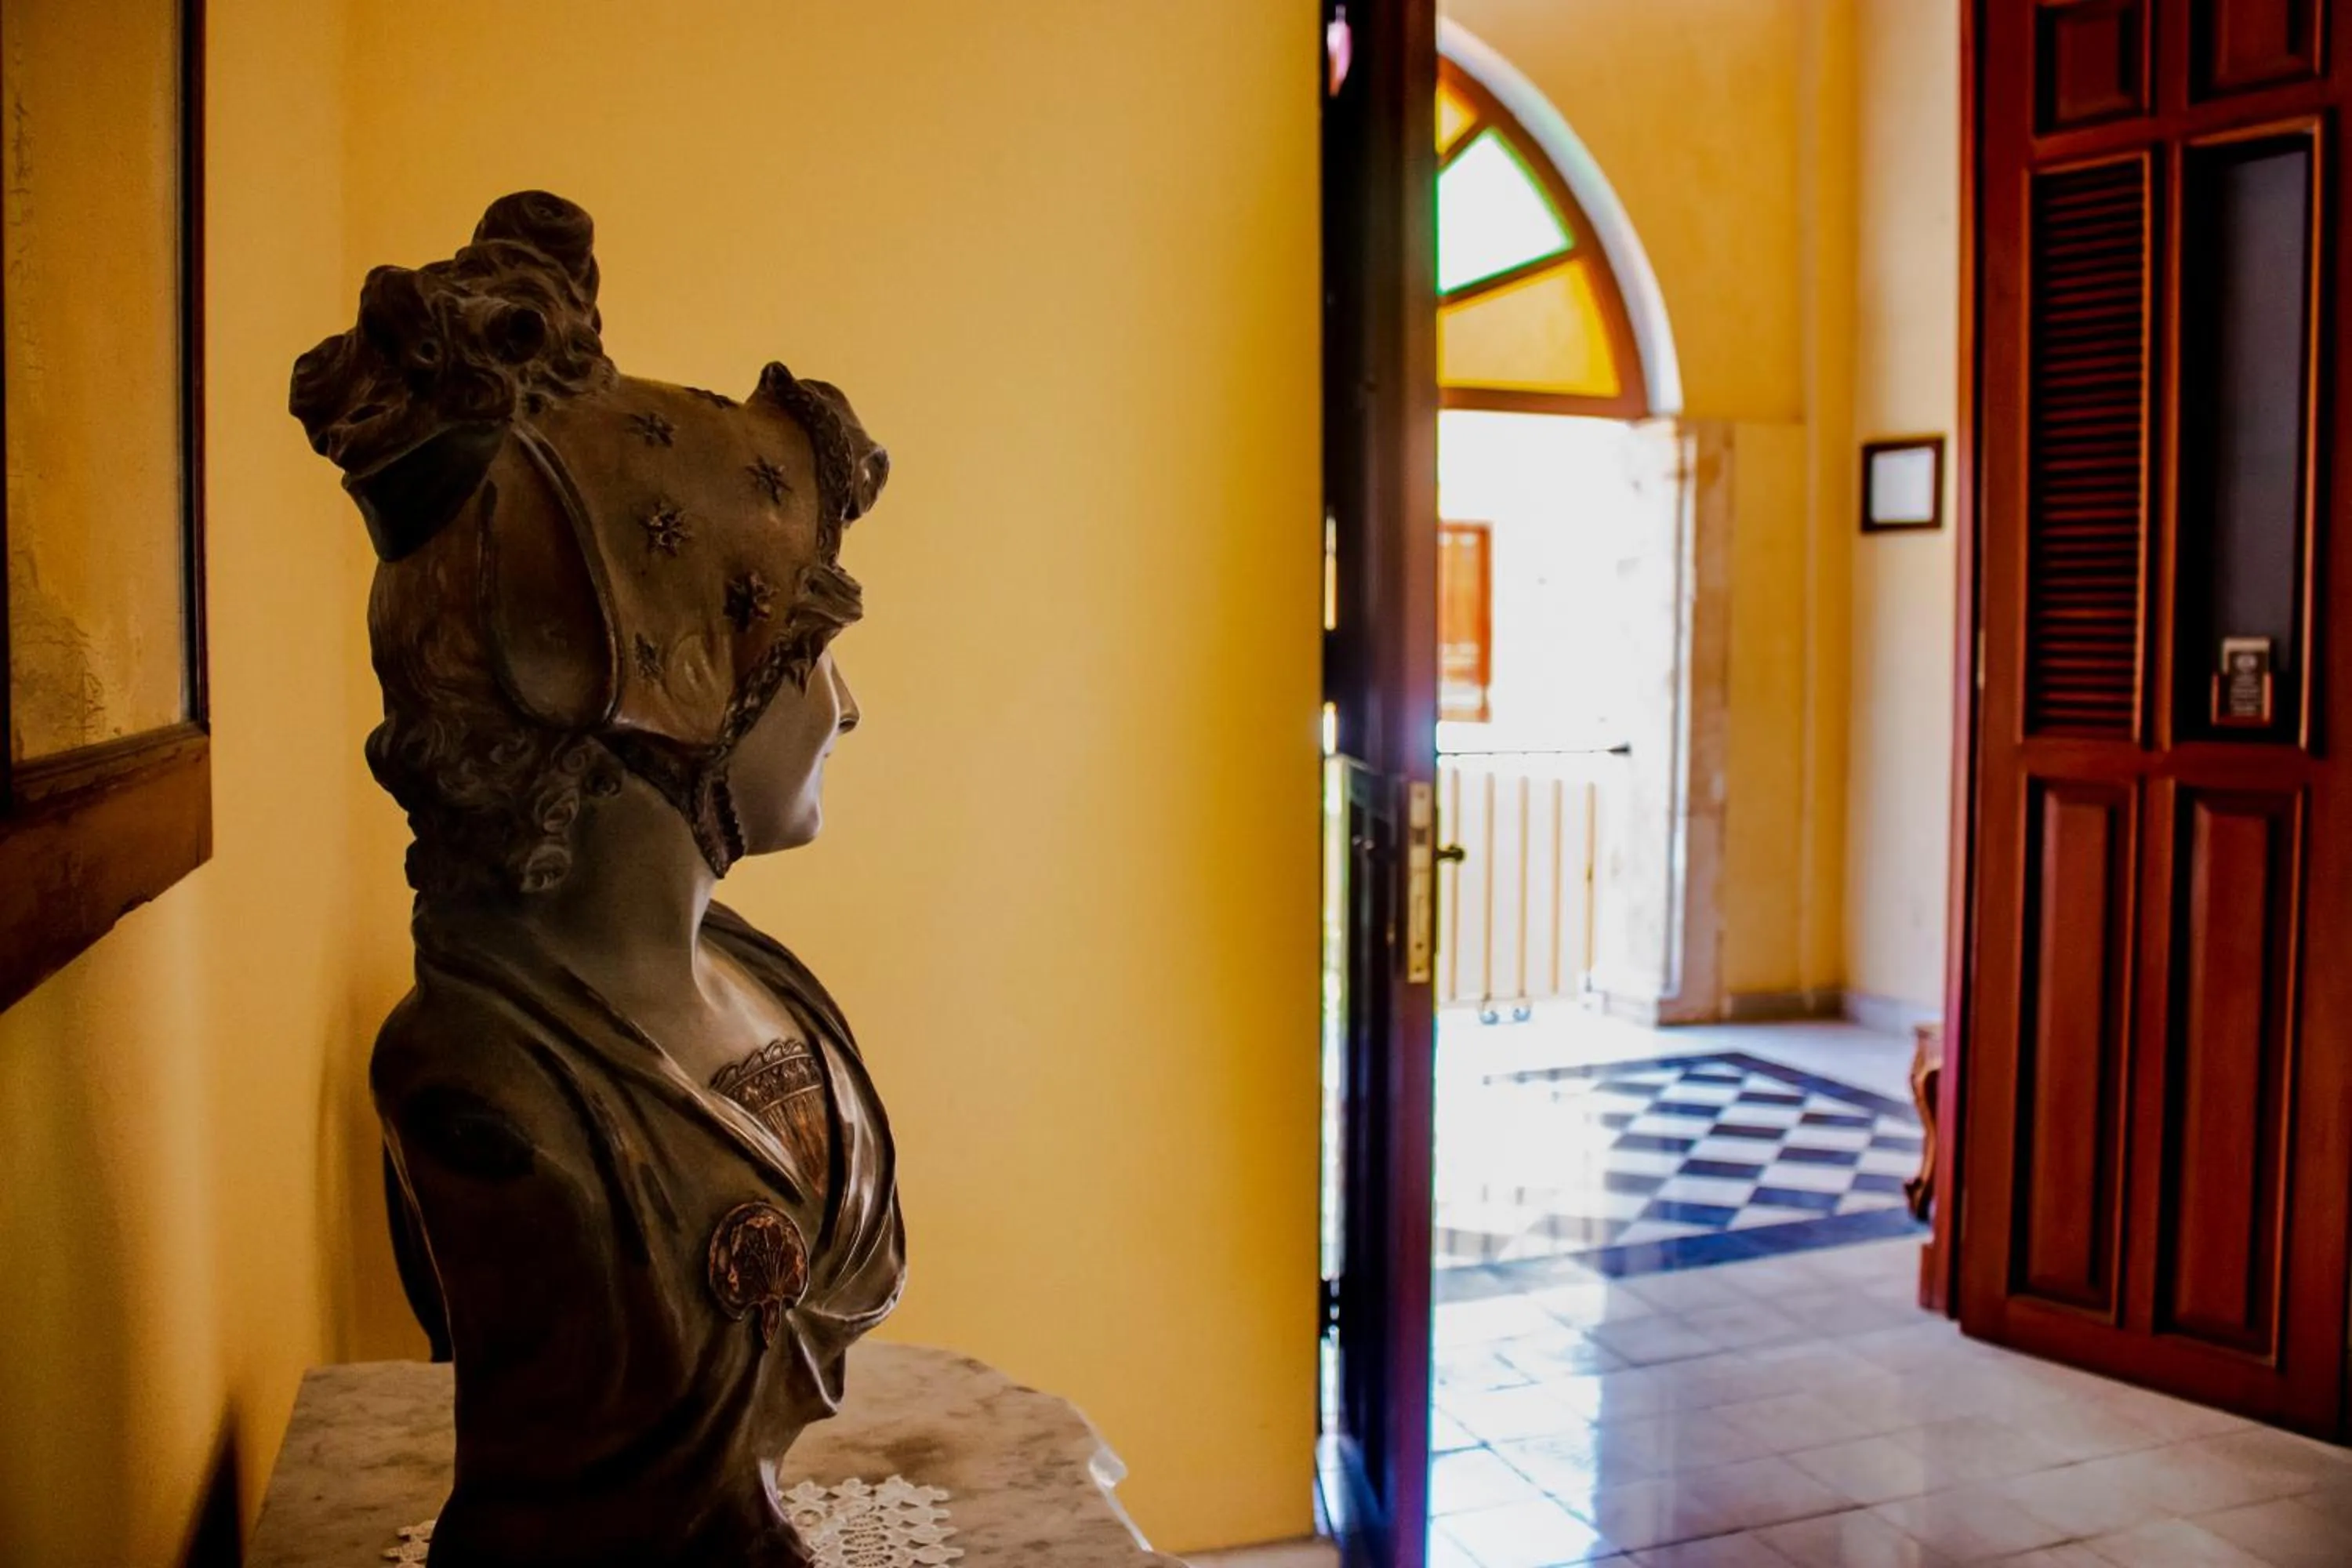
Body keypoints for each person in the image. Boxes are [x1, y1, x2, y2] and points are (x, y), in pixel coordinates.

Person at [290, 191, 903, 1568]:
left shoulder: (764, 989)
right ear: (668, 693)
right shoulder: (482, 1091)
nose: (846, 710)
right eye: (805, 660)